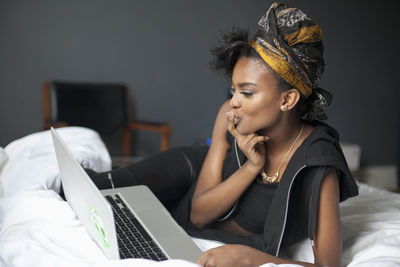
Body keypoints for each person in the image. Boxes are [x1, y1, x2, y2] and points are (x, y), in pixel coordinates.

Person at [81, 3, 358, 267]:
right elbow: (198, 215)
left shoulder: (318, 165)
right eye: (233, 90)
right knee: (90, 189)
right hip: (189, 171)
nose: (234, 102)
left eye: (247, 92)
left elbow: (328, 264)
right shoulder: (230, 114)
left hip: (196, 225)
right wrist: (252, 167)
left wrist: (252, 258)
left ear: (288, 100)